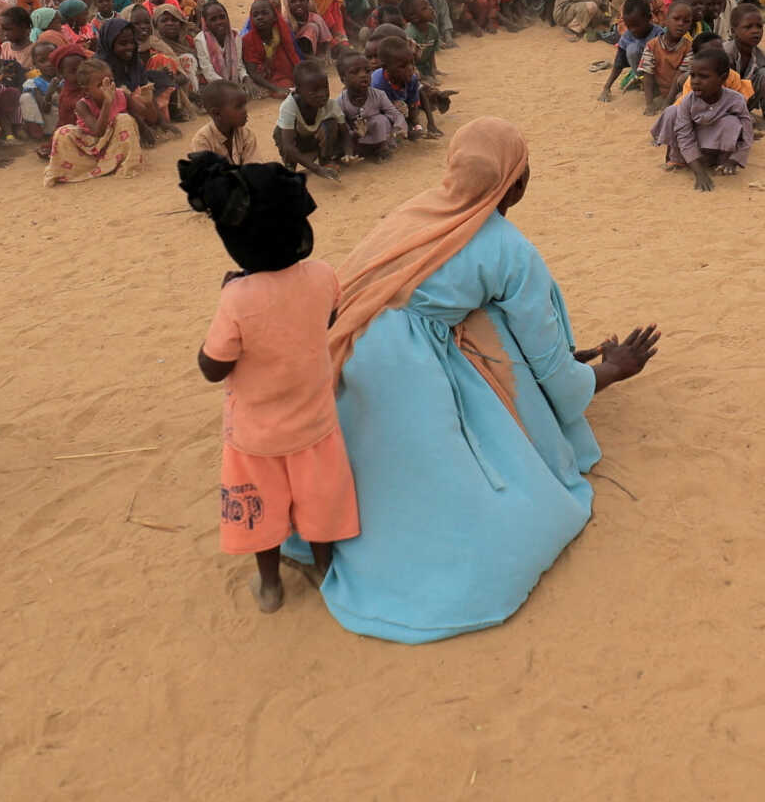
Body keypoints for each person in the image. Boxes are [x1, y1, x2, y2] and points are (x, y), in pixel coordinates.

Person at [302, 119, 658, 643]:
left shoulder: (416, 213)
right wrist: (608, 370)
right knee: (501, 512)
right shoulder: (509, 249)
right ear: (517, 183)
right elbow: (549, 367)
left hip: (344, 359)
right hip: (406, 372)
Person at [180, 152, 358, 613]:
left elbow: (213, 367)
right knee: (319, 499)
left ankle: (270, 586)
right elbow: (328, 319)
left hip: (256, 433)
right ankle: (323, 568)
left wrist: (229, 295)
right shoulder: (323, 276)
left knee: (261, 504)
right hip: (315, 422)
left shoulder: (237, 298)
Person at [652, 42, 756, 190]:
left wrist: (734, 160)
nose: (695, 82)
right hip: (691, 144)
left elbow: (747, 134)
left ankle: (722, 161)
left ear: (722, 78)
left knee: (731, 122)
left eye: (703, 76)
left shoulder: (736, 100)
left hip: (715, 144)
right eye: (693, 76)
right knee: (672, 111)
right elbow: (684, 136)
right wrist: (700, 174)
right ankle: (676, 159)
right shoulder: (688, 101)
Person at [46, 58, 143, 183]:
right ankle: (91, 168)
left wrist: (143, 98)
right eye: (100, 85)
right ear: (86, 90)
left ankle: (122, 164)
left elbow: (143, 111)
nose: (107, 88)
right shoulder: (82, 105)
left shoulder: (120, 94)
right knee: (63, 132)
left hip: (113, 145)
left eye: (110, 82)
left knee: (124, 119)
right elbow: (98, 132)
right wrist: (107, 103)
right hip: (89, 146)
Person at [334, 49, 403, 159]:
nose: (363, 75)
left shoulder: (379, 95)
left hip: (379, 136)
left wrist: (397, 129)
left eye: (367, 71)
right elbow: (343, 131)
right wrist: (356, 134)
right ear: (343, 79)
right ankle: (358, 152)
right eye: (355, 72)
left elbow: (395, 114)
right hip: (357, 139)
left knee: (380, 119)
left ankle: (382, 148)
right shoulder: (340, 102)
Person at [186, 80, 261, 165]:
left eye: (244, 105)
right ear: (217, 113)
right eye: (239, 107)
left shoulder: (246, 134)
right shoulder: (202, 141)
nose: (245, 111)